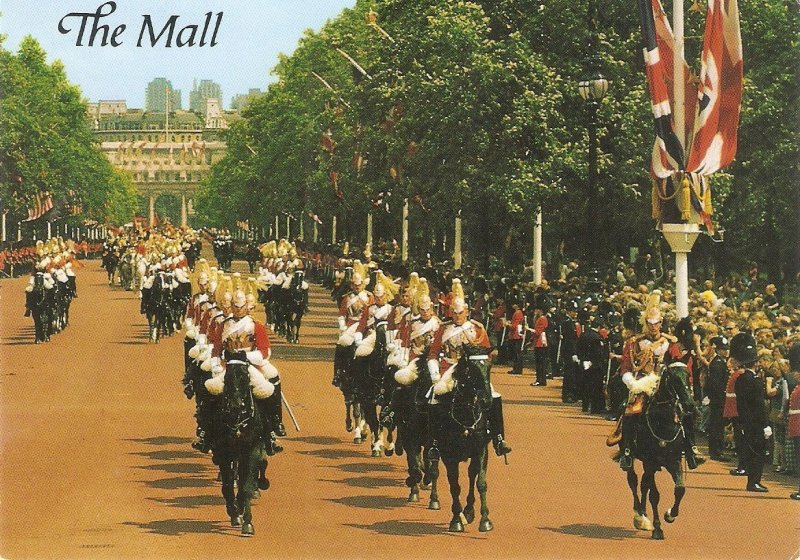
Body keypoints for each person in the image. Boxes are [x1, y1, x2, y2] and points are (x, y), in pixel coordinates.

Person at [427, 297, 512, 457]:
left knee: (493, 396)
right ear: (451, 312)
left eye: (461, 312)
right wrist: (434, 372)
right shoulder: (443, 329)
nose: (458, 316)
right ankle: (434, 443)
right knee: (435, 396)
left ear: (466, 311)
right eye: (455, 312)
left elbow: (487, 354)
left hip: (472, 370)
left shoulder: (477, 329)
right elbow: (433, 353)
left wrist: (481, 370)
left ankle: (499, 439)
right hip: (450, 368)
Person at [731, 332, 771, 492]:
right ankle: (754, 481)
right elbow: (759, 406)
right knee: (758, 452)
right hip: (756, 422)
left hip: (745, 420)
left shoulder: (740, 378)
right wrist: (765, 424)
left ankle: (753, 480)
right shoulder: (754, 380)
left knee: (752, 450)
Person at [704, 336, 731, 461]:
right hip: (718, 399)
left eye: (726, 349)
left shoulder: (718, 362)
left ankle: (716, 450)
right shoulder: (718, 363)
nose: (726, 351)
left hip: (717, 399)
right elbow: (717, 384)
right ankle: (716, 451)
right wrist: (721, 398)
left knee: (717, 425)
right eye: (723, 349)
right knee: (717, 426)